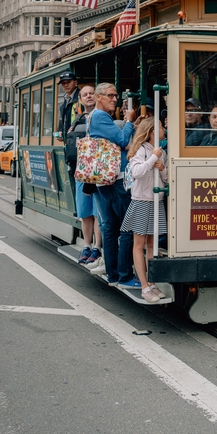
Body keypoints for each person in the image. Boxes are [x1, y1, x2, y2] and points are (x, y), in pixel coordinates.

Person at [89, 82, 138, 287]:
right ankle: (124, 276)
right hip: (115, 181)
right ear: (99, 96)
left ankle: (113, 275)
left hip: (103, 180)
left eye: (116, 96)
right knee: (125, 229)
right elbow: (122, 138)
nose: (114, 99)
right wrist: (129, 121)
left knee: (109, 228)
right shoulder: (100, 116)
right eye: (110, 95)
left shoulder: (96, 117)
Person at [121, 118, 167, 303]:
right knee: (139, 244)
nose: (164, 129)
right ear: (153, 131)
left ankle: (152, 283)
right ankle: (144, 285)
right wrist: (154, 158)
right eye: (162, 127)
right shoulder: (141, 150)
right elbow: (137, 172)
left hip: (156, 201)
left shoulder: (159, 151)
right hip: (142, 201)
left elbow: (166, 178)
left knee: (151, 245)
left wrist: (162, 167)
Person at [66, 85, 104, 267]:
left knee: (97, 212)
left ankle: (97, 247)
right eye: (85, 95)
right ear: (80, 99)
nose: (88, 97)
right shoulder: (78, 119)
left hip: (98, 172)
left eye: (91, 94)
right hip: (81, 172)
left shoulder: (102, 117)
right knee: (85, 212)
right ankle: (87, 246)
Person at [59, 71, 83, 141]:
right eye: (63, 83)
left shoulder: (82, 97)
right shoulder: (65, 100)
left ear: (75, 82)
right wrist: (61, 131)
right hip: (70, 141)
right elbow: (65, 121)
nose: (66, 85)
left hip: (80, 139)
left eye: (68, 82)